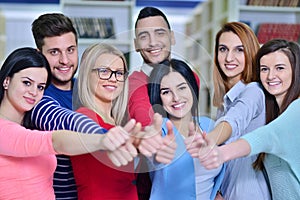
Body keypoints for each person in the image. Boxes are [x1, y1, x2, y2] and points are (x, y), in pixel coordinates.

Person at [0, 47, 139, 199]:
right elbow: (56, 141)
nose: (34, 92)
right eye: (27, 83)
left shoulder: (33, 122)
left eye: (40, 87)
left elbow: (63, 120)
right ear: (7, 81)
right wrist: (103, 138)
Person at [69, 43, 176, 199]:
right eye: (104, 71)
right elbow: (105, 138)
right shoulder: (83, 117)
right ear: (87, 75)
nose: (113, 79)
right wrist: (140, 140)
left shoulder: (118, 122)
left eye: (119, 73)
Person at [196, 39, 300, 200]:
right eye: (264, 69)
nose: (271, 76)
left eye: (280, 68)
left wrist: (220, 152)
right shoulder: (273, 112)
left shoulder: (297, 109)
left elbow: (265, 136)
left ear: (296, 71)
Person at [30, 13, 117, 199]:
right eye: (54, 52)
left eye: (70, 50)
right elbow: (65, 120)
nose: (65, 60)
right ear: (39, 55)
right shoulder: (37, 98)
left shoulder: (89, 88)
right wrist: (107, 138)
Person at [185, 21, 271, 200]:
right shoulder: (225, 103)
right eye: (223, 49)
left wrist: (210, 139)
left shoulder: (254, 91)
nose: (229, 58)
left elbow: (233, 121)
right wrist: (219, 191)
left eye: (239, 50)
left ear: (250, 53)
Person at [129, 7, 199, 199]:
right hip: (150, 191)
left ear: (172, 37)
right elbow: (144, 116)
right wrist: (152, 137)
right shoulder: (133, 85)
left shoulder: (191, 77)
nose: (153, 42)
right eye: (144, 36)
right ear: (136, 44)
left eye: (159, 33)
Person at [147, 59, 225, 200]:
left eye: (182, 87)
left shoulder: (209, 126)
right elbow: (152, 156)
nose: (176, 97)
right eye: (166, 92)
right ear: (158, 98)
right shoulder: (160, 130)